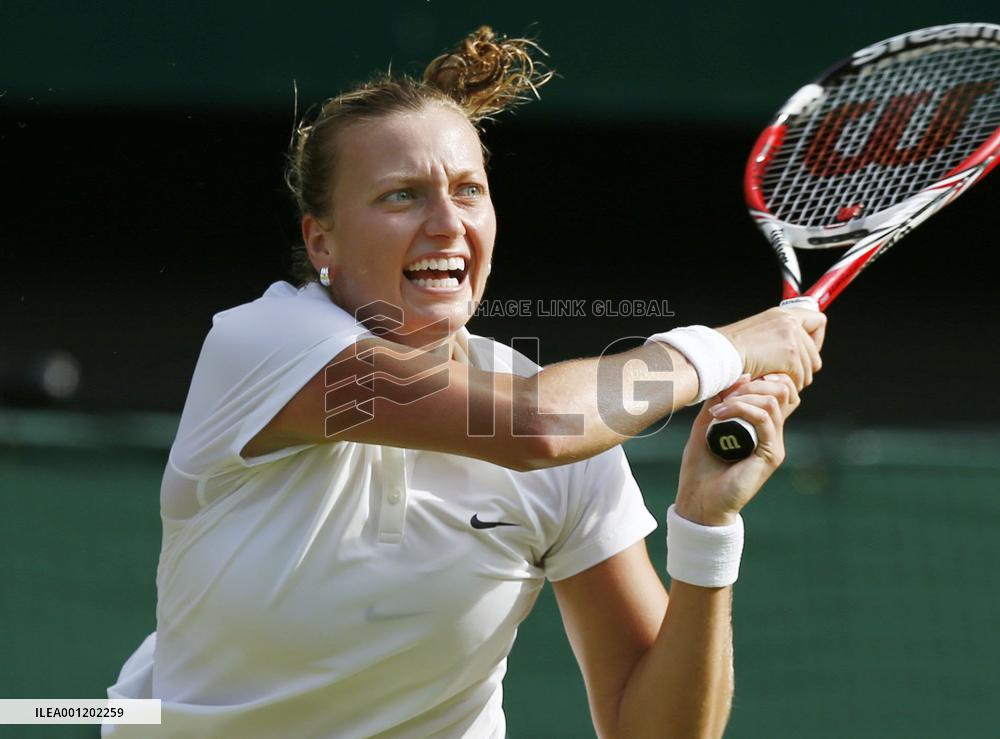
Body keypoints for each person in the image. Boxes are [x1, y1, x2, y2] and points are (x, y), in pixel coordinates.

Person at [104, 26, 825, 739]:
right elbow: (535, 426)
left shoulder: (572, 429)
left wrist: (705, 521)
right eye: (402, 196)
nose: (448, 223)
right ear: (320, 240)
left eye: (468, 190)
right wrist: (730, 348)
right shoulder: (260, 345)